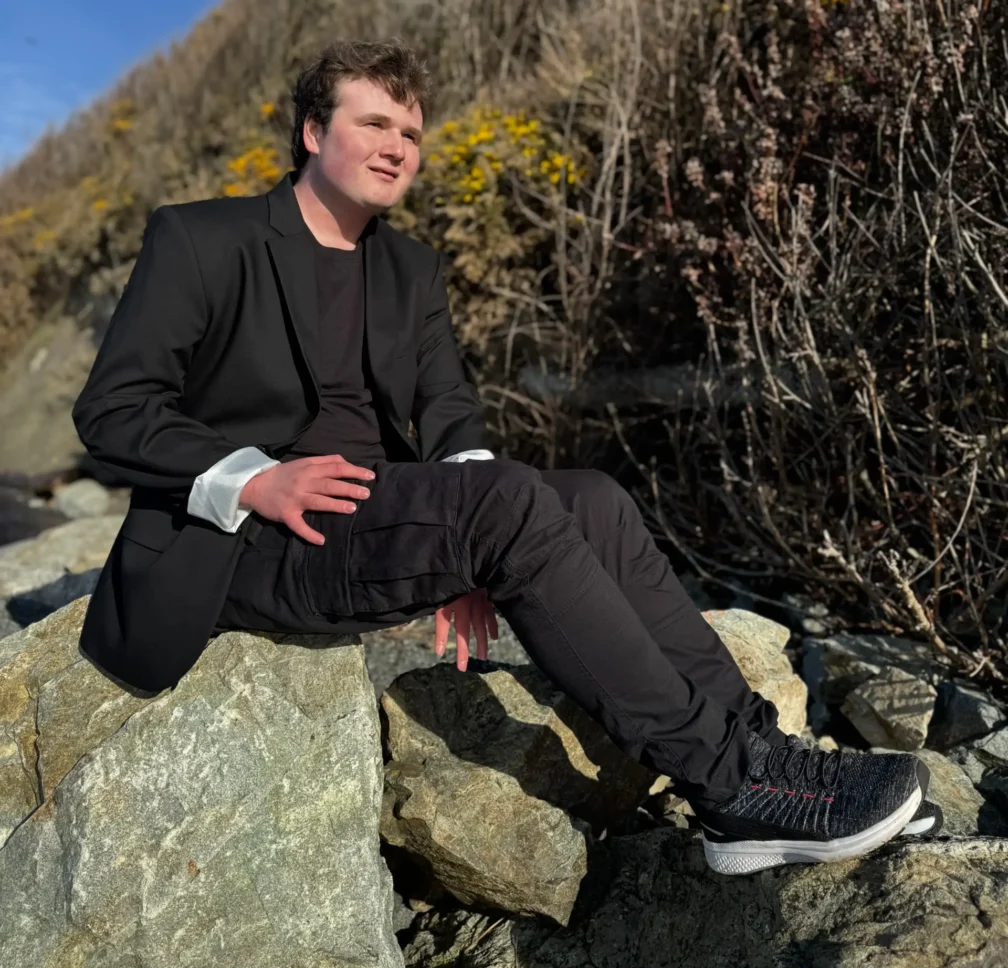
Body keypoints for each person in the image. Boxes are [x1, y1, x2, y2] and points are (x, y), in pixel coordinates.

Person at [71, 39, 938, 875]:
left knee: (591, 496)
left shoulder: (409, 268)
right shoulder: (202, 239)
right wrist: (253, 476)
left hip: (377, 513)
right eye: (374, 124)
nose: (397, 147)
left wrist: (468, 539)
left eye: (410, 134)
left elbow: (450, 414)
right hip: (252, 541)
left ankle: (763, 752)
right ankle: (731, 782)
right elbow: (112, 410)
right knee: (507, 505)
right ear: (311, 131)